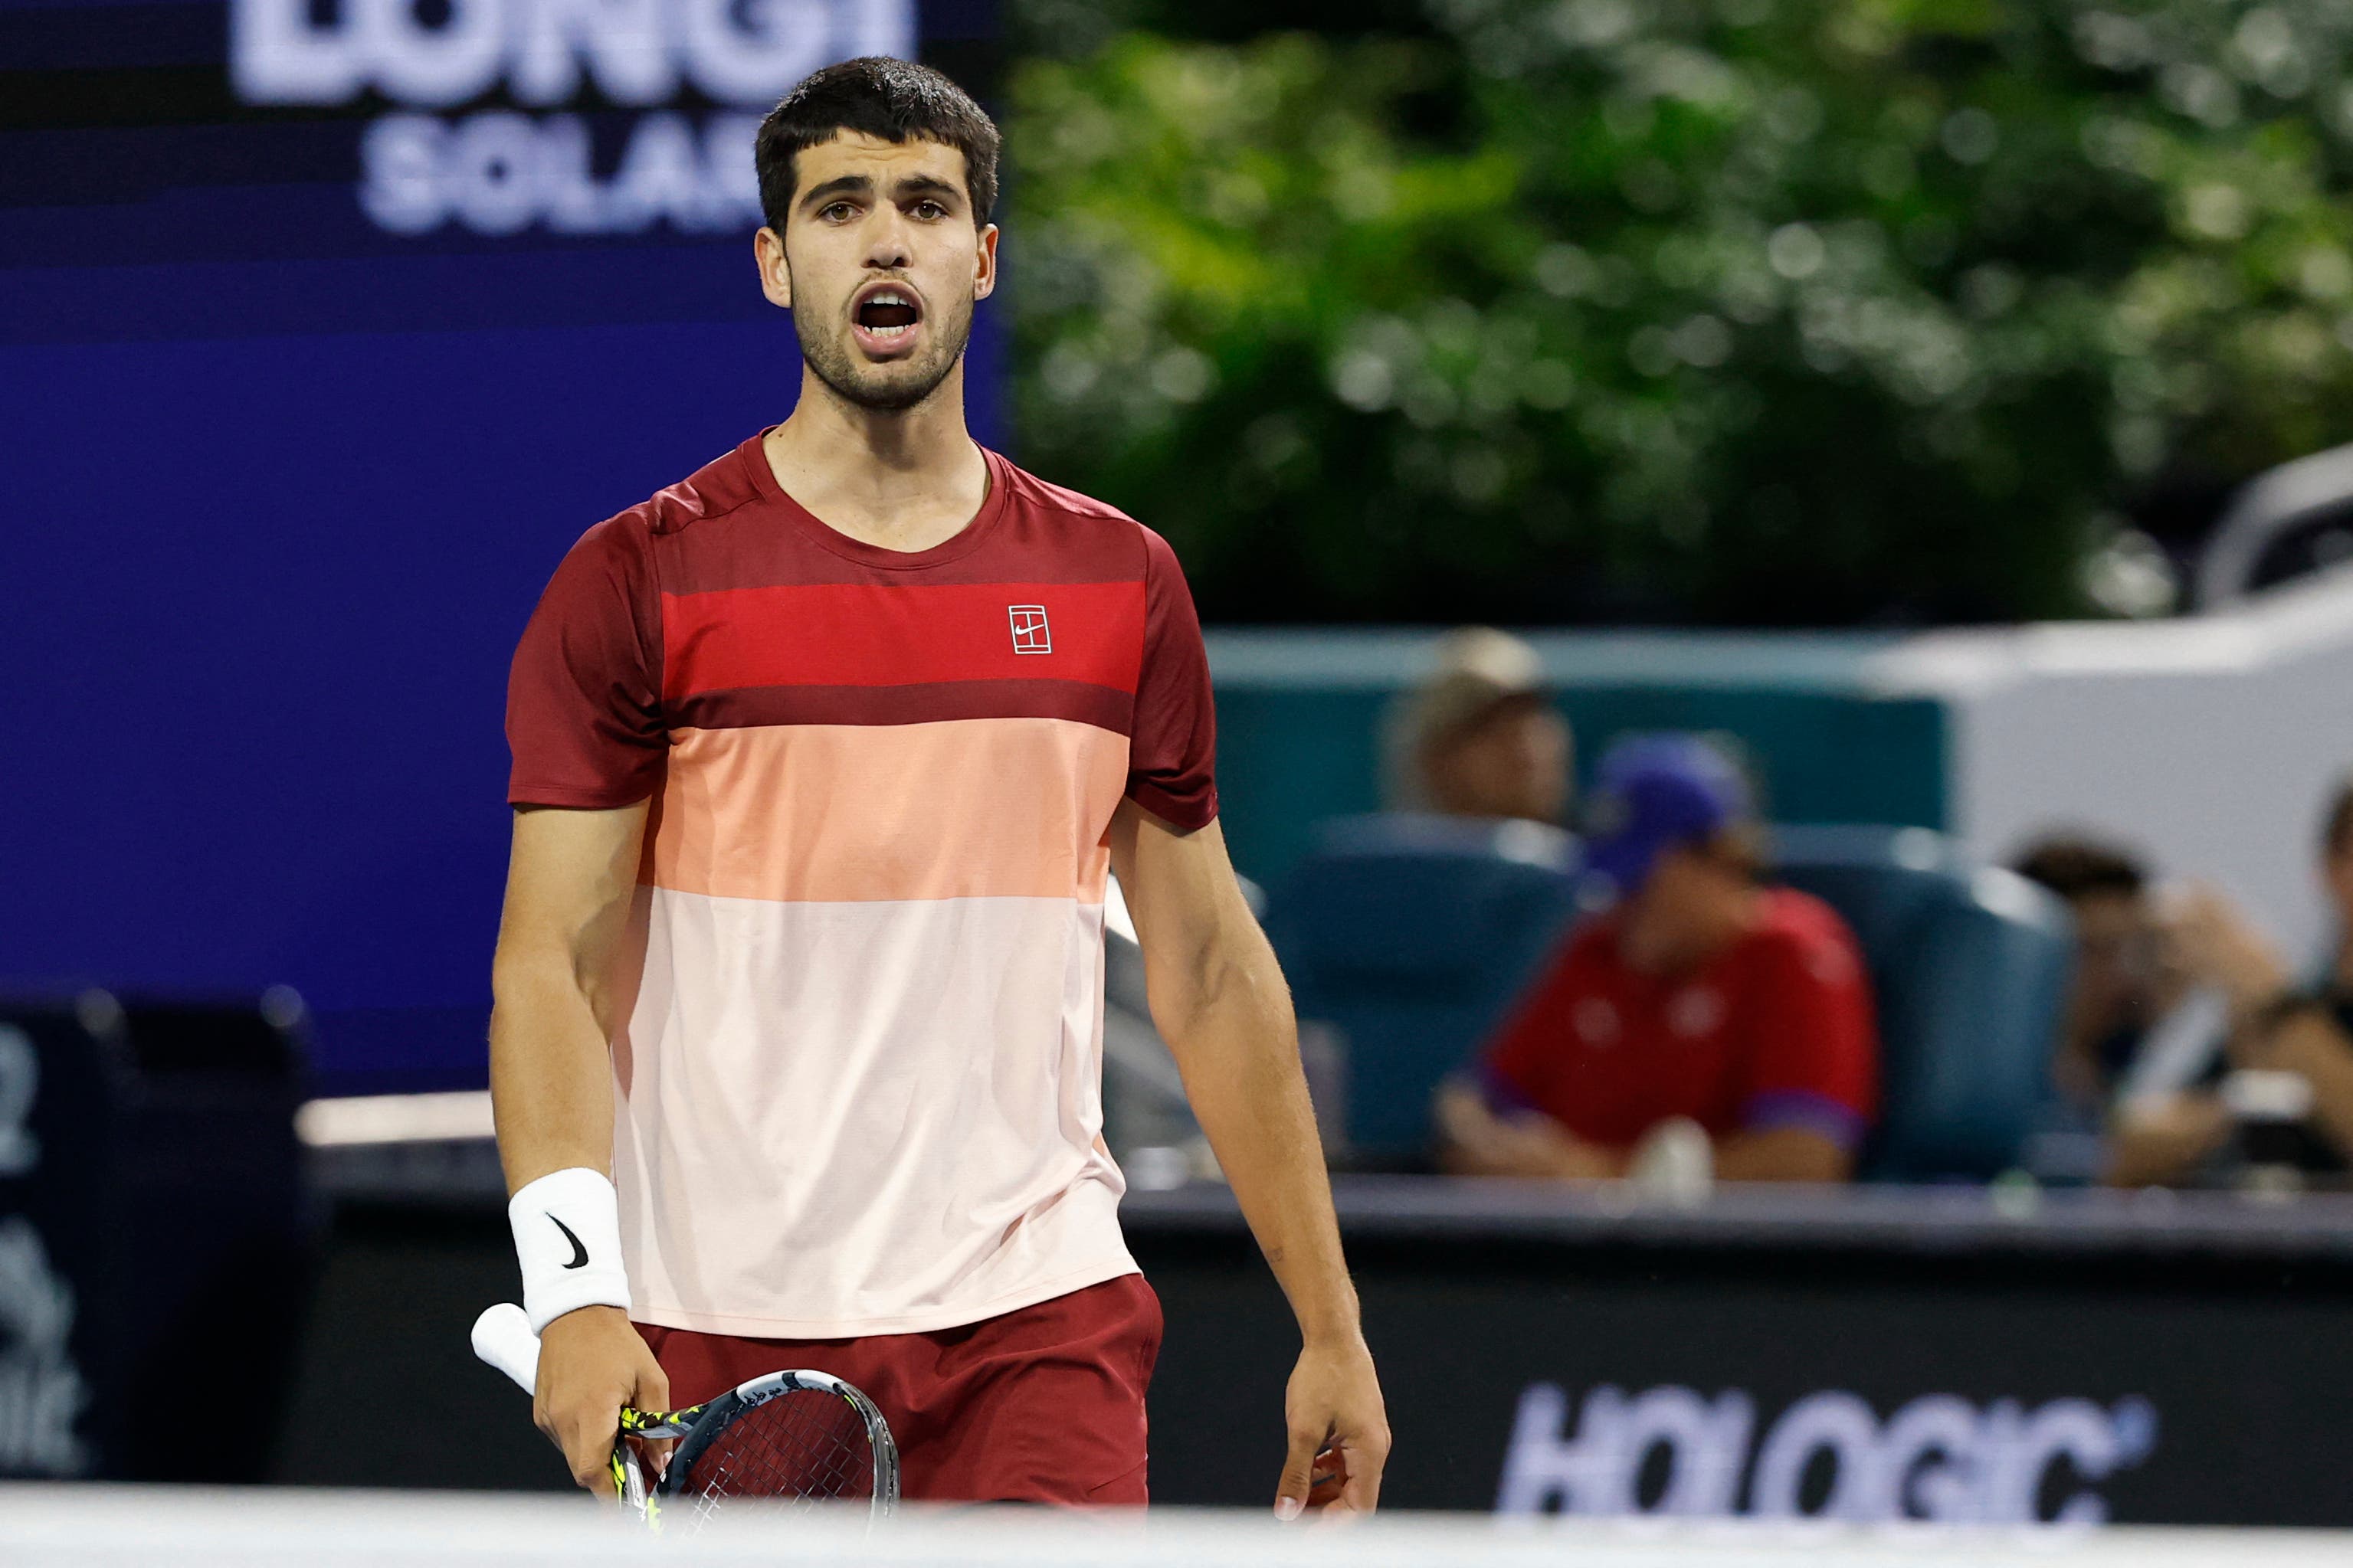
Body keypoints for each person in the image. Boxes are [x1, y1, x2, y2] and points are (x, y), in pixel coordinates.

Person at [490, 58, 1386, 1514]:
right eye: (840, 207)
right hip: (715, 1309)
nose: (887, 239)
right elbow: (553, 964)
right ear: (779, 265)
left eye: (925, 203)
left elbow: (1213, 969)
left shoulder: (1120, 581)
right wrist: (577, 1293)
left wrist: (1331, 1325)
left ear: (982, 258)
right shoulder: (639, 578)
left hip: (1037, 1308)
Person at [1434, 734, 1878, 1183]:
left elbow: (1806, 1165)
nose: (1622, 906)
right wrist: (1485, 1144)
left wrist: (1597, 1176)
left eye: (1640, 883)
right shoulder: (1598, 949)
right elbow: (1473, 1097)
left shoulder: (1793, 954)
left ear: (1717, 859)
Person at [2010, 836, 2235, 1187]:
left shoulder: (2114, 1064)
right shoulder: (1996, 1091)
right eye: (2095, 951)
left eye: (2135, 951)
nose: (2123, 977)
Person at [1381, 627, 1572, 827]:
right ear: (1434, 758)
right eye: (1490, 728)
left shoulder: (1597, 850)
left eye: (1532, 719)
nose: (1526, 749)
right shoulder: (1389, 856)